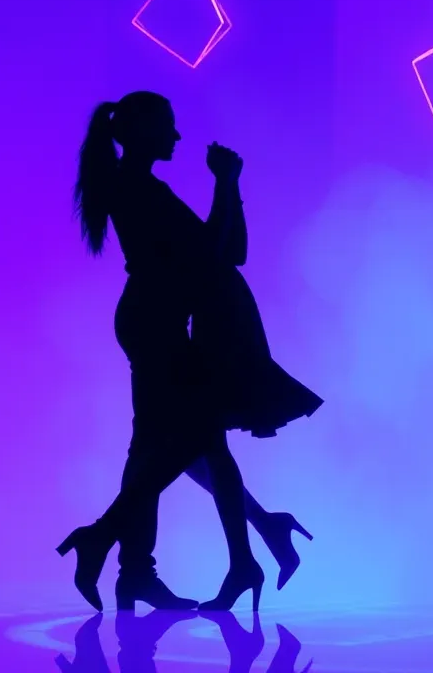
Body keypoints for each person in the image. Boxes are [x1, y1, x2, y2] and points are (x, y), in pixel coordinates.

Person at [55, 92, 322, 613]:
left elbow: (229, 251)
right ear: (142, 131)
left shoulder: (144, 186)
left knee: (175, 444)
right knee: (191, 440)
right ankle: (113, 543)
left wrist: (230, 185)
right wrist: (225, 182)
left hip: (161, 322)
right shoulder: (135, 187)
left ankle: (143, 566)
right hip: (156, 324)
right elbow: (210, 251)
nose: (177, 136)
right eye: (168, 127)